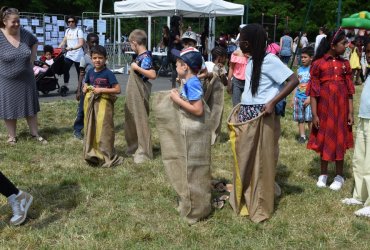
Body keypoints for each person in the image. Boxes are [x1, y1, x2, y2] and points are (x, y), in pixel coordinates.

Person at [228, 24, 299, 223]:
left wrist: (273, 102)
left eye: (241, 40)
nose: (239, 43)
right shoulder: (251, 61)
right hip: (248, 113)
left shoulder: (270, 60)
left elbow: (293, 80)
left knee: (261, 160)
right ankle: (247, 194)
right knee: (246, 156)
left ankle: (259, 203)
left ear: (248, 42)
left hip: (262, 115)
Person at [167, 48, 211, 224]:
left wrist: (177, 100)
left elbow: (198, 110)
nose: (175, 66)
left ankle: (197, 208)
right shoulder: (188, 80)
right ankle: (189, 202)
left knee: (194, 168)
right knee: (187, 167)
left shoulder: (192, 83)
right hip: (188, 131)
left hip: (195, 132)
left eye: (177, 64)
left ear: (185, 67)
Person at [307, 29, 354, 191]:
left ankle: (339, 175)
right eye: (343, 43)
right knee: (325, 138)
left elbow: (349, 92)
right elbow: (313, 92)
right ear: (333, 45)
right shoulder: (318, 64)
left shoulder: (345, 64)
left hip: (341, 110)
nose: (346, 46)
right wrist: (314, 114)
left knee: (340, 139)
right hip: (324, 110)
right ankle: (324, 174)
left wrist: (350, 112)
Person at [0, 6, 46, 145]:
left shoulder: (24, 33)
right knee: (9, 108)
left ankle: (34, 133)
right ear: (4, 21)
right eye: (13, 21)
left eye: (18, 21)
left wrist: (32, 59)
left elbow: (35, 41)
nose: (17, 24)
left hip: (27, 78)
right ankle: (12, 136)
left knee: (30, 107)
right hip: (7, 80)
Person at [342, 38, 370, 216]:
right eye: (368, 52)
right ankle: (359, 195)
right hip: (364, 118)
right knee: (359, 159)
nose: (369, 55)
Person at [82, 45, 123, 167]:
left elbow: (117, 89)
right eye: (94, 58)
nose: (97, 60)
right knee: (92, 128)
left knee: (104, 129)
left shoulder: (108, 73)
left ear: (105, 59)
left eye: (100, 58)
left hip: (104, 106)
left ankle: (106, 154)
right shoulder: (90, 72)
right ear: (91, 58)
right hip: (92, 105)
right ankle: (94, 152)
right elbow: (87, 82)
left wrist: (102, 90)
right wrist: (84, 87)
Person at [124, 29, 156, 164]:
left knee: (140, 119)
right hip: (135, 92)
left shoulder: (146, 57)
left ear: (134, 43)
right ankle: (134, 146)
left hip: (141, 92)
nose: (131, 47)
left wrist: (137, 68)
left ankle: (144, 150)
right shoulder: (140, 56)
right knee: (133, 119)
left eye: (131, 45)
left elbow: (153, 75)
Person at [73, 32, 99, 140]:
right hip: (86, 90)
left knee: (96, 109)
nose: (94, 44)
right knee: (82, 110)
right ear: (87, 43)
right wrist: (79, 90)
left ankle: (94, 129)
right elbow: (81, 74)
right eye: (92, 42)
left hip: (98, 89)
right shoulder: (85, 58)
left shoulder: (99, 57)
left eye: (96, 42)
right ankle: (77, 129)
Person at [204, 46, 228, 144]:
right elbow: (225, 82)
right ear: (220, 57)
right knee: (215, 114)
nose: (226, 60)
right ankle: (213, 137)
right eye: (225, 57)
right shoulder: (218, 67)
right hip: (215, 97)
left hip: (206, 95)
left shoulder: (206, 64)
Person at [291, 46, 314, 143]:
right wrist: (293, 98)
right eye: (302, 57)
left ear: (311, 57)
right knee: (300, 119)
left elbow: (315, 85)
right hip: (298, 98)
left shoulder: (313, 69)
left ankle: (313, 138)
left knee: (310, 119)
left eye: (305, 57)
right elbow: (296, 84)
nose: (303, 59)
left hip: (309, 99)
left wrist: (310, 97)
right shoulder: (299, 69)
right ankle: (302, 136)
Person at [58, 15, 84, 97]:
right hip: (69, 55)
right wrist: (60, 45)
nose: (70, 23)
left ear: (75, 22)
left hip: (78, 55)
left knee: (79, 72)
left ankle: (79, 87)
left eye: (72, 21)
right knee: (65, 69)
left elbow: (81, 44)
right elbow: (64, 40)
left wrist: (72, 48)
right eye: (69, 22)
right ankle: (66, 86)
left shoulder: (78, 31)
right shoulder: (67, 30)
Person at [168, 16, 183, 88]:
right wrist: (181, 30)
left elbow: (178, 40)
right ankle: (178, 84)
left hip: (173, 50)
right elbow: (181, 39)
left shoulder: (172, 29)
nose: (180, 22)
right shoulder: (174, 30)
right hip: (175, 51)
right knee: (179, 66)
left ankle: (173, 86)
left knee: (175, 67)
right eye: (179, 21)